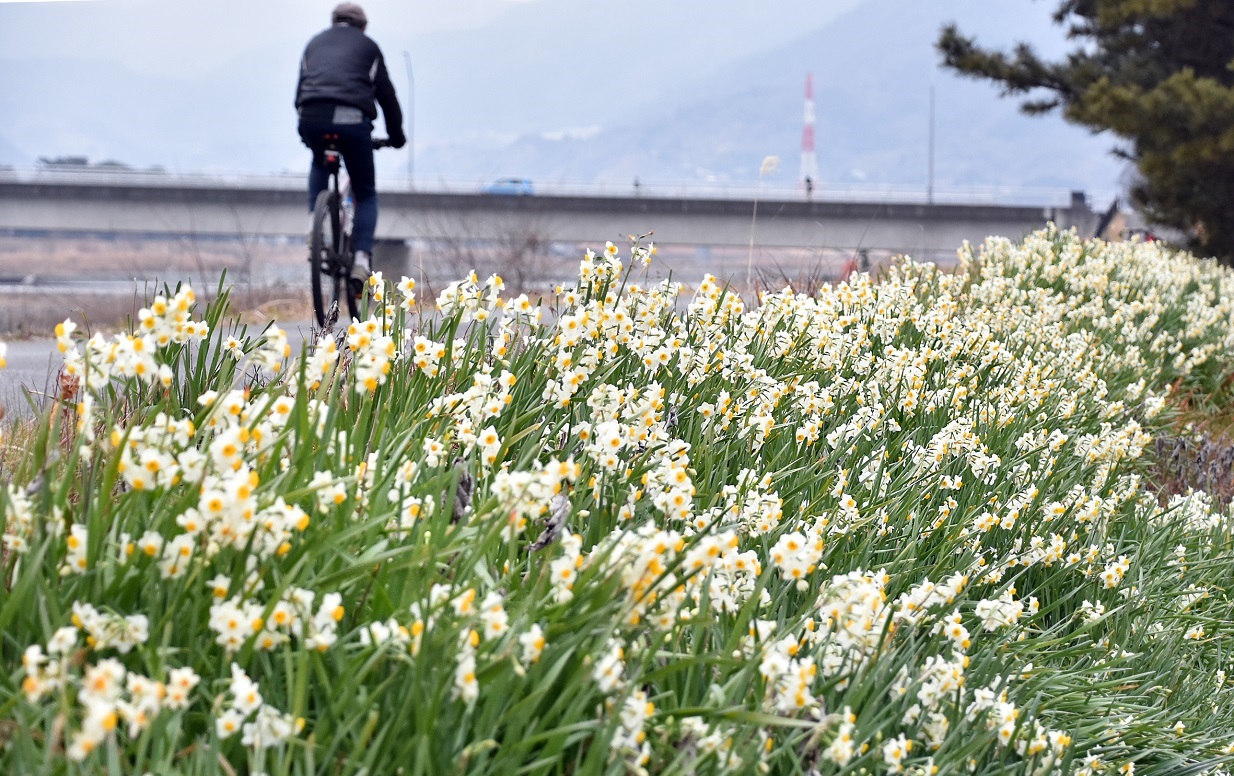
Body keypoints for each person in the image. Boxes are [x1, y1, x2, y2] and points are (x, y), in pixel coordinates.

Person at [295, 3, 405, 288]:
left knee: (320, 160)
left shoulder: (314, 44)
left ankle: (312, 226)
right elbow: (387, 98)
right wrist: (396, 136)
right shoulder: (369, 47)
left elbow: (299, 94)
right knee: (365, 193)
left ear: (333, 22)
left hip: (312, 117)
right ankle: (360, 259)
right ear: (362, 26)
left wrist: (308, 126)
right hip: (352, 122)